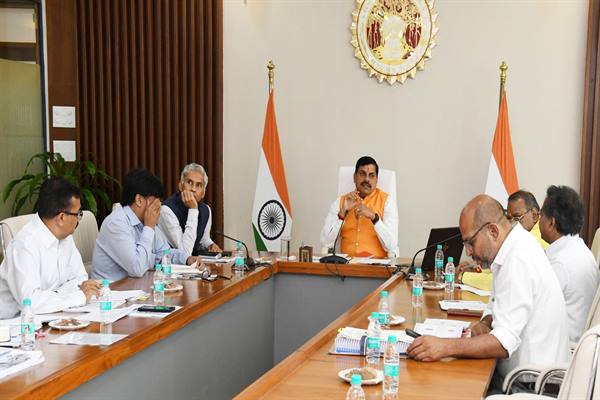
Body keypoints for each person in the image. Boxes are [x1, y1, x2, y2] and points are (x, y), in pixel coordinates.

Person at [407, 195, 569, 388]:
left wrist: (444, 346)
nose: (468, 252)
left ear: (493, 231)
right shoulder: (512, 248)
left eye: (470, 242)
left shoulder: (518, 259)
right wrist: (485, 322)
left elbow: (503, 343)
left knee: (448, 386)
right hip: (523, 377)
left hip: (531, 385)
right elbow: (497, 305)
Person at [0, 178, 101, 318]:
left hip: (53, 315)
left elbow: (80, 280)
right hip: (15, 324)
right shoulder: (24, 245)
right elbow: (30, 303)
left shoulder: (65, 237)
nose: (79, 219)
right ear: (61, 218)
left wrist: (56, 297)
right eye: (78, 214)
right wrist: (76, 296)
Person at [92, 168, 196, 281]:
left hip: (136, 286)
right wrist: (149, 228)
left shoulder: (145, 221)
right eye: (156, 201)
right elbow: (137, 268)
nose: (160, 206)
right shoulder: (116, 223)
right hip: (110, 289)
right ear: (139, 200)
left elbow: (164, 254)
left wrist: (187, 259)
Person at [539, 185, 600, 343]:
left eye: (541, 215)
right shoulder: (579, 249)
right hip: (575, 340)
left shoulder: (559, 263)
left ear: (551, 223)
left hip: (560, 347)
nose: (539, 220)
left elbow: (535, 312)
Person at [457, 190, 549, 291]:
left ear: (534, 215)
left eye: (517, 218)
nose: (511, 223)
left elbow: (497, 281)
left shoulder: (524, 248)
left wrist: (463, 276)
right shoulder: (519, 242)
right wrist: (477, 270)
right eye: (508, 218)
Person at [319, 156, 399, 258]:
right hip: (345, 264)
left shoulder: (387, 202)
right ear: (354, 177)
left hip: (377, 265)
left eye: (371, 175)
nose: (367, 179)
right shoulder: (341, 202)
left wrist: (374, 218)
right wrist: (342, 213)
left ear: (376, 180)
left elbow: (392, 245)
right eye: (362, 174)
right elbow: (325, 242)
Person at [159, 163, 221, 256]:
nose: (193, 189)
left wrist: (210, 245)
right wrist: (193, 210)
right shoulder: (166, 210)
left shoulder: (206, 210)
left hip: (193, 263)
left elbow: (203, 239)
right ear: (180, 186)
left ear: (203, 193)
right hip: (168, 263)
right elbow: (184, 252)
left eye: (199, 185)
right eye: (190, 183)